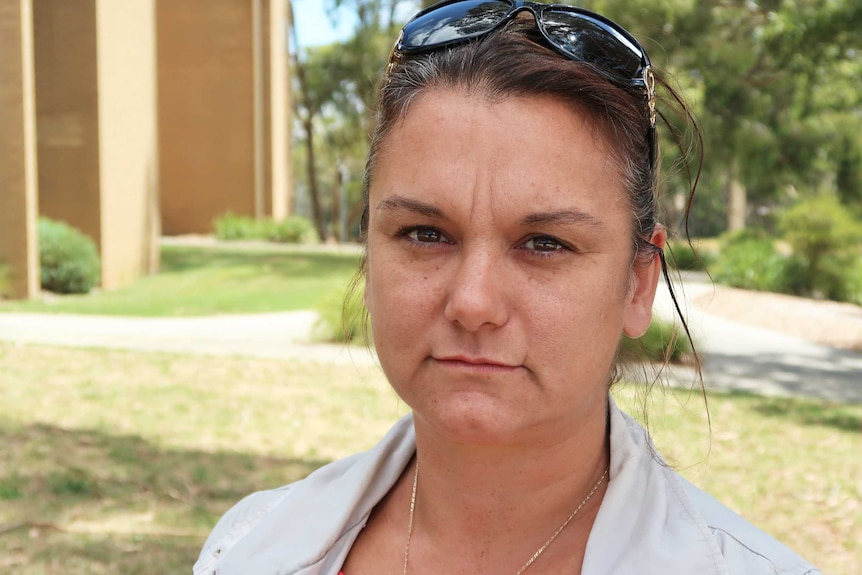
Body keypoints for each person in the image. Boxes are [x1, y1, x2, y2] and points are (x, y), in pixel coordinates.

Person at [194, 2, 820, 574]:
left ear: (637, 285)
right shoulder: (249, 547)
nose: (473, 302)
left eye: (545, 243)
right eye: (424, 233)